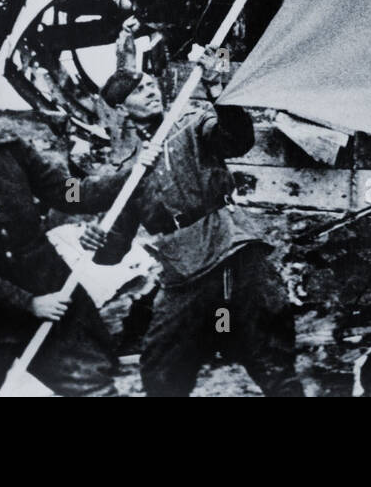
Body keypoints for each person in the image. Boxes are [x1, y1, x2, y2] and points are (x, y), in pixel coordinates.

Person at [0, 75, 156, 396]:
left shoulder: (11, 151)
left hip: (51, 295)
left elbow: (69, 193)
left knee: (93, 388)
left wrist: (130, 176)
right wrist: (28, 303)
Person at [92, 64, 303, 396]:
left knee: (271, 361)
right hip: (185, 272)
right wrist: (93, 239)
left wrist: (217, 91)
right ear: (120, 108)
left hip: (234, 252)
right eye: (138, 90)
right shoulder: (125, 169)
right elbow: (111, 251)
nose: (150, 90)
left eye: (150, 83)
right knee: (161, 372)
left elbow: (237, 140)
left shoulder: (191, 121)